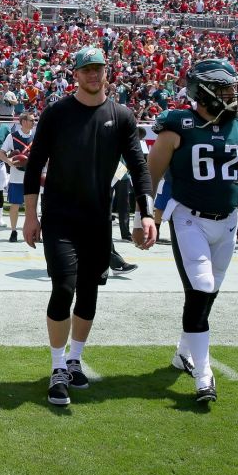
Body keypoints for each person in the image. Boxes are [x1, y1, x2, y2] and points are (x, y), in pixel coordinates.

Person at [22, 47, 155, 407]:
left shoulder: (122, 116)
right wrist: (30, 216)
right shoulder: (57, 113)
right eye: (86, 70)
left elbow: (139, 168)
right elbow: (34, 166)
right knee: (63, 288)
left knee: (90, 291)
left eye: (98, 69)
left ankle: (75, 358)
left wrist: (147, 213)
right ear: (75, 74)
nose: (93, 75)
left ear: (106, 72)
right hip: (60, 217)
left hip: (98, 218)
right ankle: (56, 368)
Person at [147, 58, 238, 403]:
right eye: (222, 89)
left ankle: (183, 351)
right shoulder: (178, 123)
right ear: (201, 93)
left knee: (208, 293)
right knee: (202, 286)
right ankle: (204, 375)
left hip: (229, 221)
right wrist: (144, 217)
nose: (230, 94)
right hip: (188, 217)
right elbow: (150, 175)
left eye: (231, 87)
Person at [1, 111, 36, 243]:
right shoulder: (12, 136)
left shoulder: (36, 137)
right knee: (15, 204)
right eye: (31, 120)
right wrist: (9, 162)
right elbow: (1, 153)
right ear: (23, 121)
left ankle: (31, 230)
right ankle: (14, 231)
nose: (33, 122)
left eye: (33, 120)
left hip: (31, 176)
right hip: (16, 176)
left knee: (32, 206)